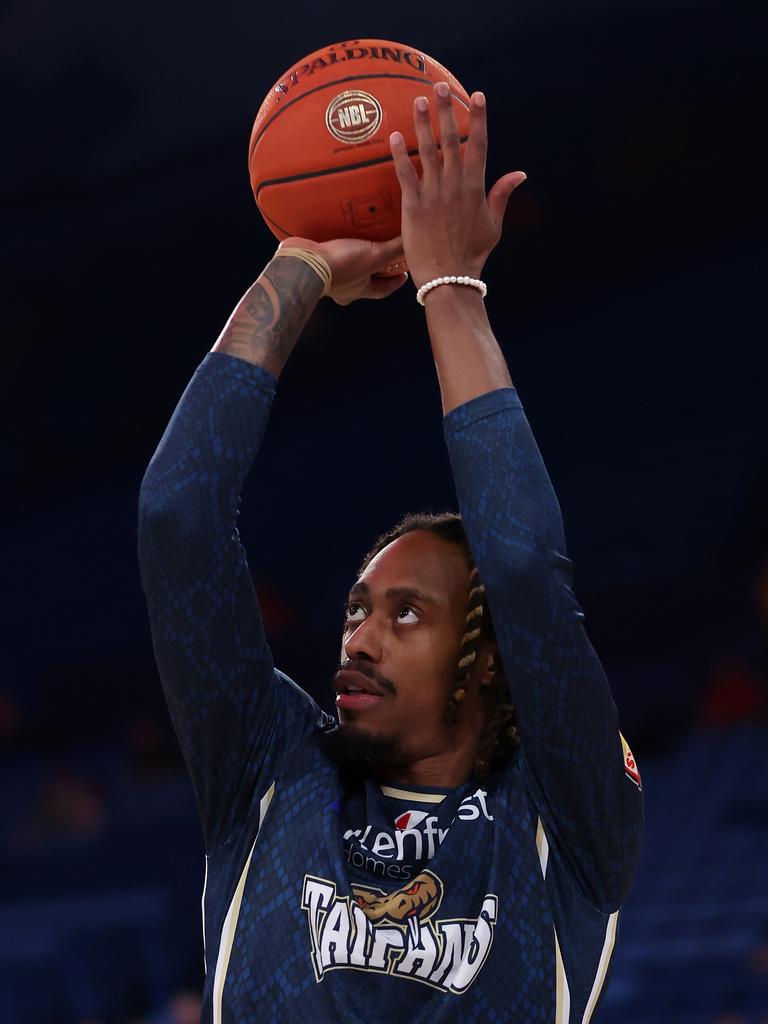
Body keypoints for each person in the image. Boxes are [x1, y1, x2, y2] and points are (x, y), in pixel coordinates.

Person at [138, 81, 643, 1023]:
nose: (358, 639)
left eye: (405, 611)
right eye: (358, 609)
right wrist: (297, 269)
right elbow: (178, 515)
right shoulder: (270, 765)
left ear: (489, 657)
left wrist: (450, 286)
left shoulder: (563, 807)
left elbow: (526, 566)